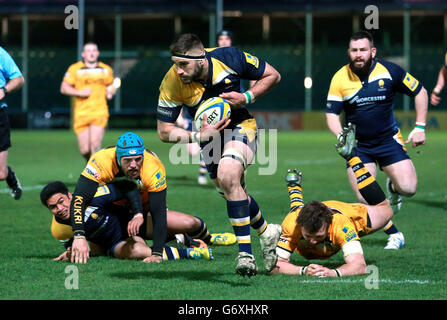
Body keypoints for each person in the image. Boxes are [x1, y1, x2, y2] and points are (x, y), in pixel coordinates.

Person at [156, 33, 282, 277]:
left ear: (201, 58)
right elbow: (164, 131)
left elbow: (273, 75)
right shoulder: (172, 82)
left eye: (183, 64)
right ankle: (267, 231)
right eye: (175, 64)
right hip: (208, 139)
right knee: (230, 189)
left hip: (240, 126)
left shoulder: (229, 57)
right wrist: (198, 137)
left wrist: (247, 97)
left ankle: (245, 255)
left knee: (228, 174)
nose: (178, 70)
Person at [325, 31, 428, 250]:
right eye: (354, 50)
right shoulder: (340, 77)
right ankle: (395, 234)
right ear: (349, 52)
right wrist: (342, 138)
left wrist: (420, 127)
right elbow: (332, 114)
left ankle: (394, 187)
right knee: (366, 199)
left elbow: (420, 92)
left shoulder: (390, 71)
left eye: (363, 50)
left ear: (372, 51)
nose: (358, 55)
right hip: (358, 147)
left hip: (388, 141)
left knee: (409, 188)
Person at [68, 131, 234, 264]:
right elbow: (79, 200)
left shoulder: (153, 167)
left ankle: (209, 238)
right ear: (118, 158)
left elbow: (158, 213)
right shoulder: (101, 161)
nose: (134, 165)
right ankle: (183, 241)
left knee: (190, 223)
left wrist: (156, 254)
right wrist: (78, 236)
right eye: (128, 160)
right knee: (130, 248)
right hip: (112, 212)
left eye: (137, 159)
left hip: (144, 207)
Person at [270, 125, 394, 277]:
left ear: (328, 225)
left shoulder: (341, 224)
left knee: (386, 210)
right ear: (301, 226)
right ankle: (294, 190)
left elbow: (359, 266)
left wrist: (333, 272)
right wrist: (302, 270)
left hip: (351, 214)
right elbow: (274, 265)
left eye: (318, 236)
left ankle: (353, 158)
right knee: (296, 212)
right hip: (300, 216)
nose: (313, 242)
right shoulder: (293, 223)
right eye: (308, 236)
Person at [41, 181, 213, 262]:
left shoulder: (93, 196)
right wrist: (72, 253)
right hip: (116, 243)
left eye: (61, 201)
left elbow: (128, 188)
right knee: (139, 251)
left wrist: (139, 213)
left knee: (189, 222)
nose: (60, 209)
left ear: (70, 195)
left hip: (134, 224)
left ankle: (205, 239)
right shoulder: (59, 229)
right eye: (53, 207)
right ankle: (190, 253)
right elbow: (83, 249)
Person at [60, 42, 116, 161]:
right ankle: (91, 167)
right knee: (85, 150)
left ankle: (95, 176)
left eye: (94, 50)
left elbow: (111, 86)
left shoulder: (106, 69)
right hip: (81, 113)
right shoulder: (75, 69)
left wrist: (110, 92)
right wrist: (80, 92)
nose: (91, 53)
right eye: (88, 51)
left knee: (95, 145)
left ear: (98, 53)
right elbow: (64, 88)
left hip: (99, 112)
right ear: (83, 54)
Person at [0, 46, 24, 200]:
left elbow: (19, 79)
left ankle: (10, 177)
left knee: (0, 174)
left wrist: (4, 90)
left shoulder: (0, 53)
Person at [175, 107, 208, 185]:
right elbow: (179, 102)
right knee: (193, 153)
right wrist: (179, 118)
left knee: (207, 147)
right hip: (191, 122)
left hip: (207, 122)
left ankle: (202, 174)